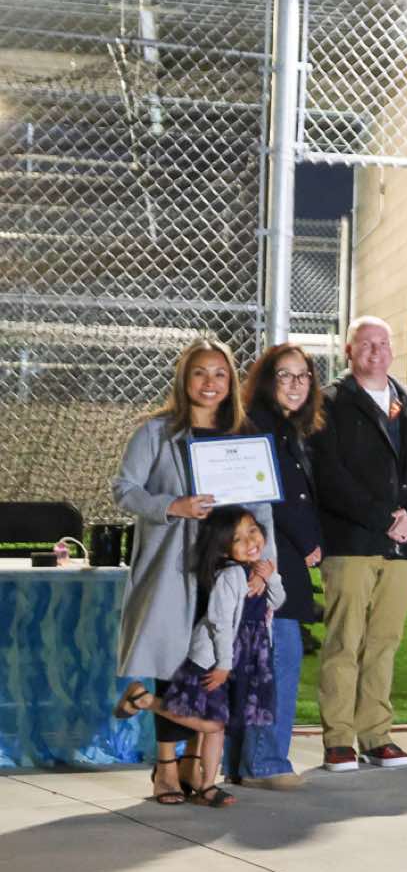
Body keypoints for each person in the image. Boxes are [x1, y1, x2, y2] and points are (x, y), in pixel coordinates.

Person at [113, 338, 277, 804]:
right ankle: (165, 768)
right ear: (185, 379)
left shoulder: (242, 436)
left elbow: (261, 510)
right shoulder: (156, 433)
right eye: (200, 372)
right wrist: (173, 506)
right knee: (173, 667)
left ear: (231, 382)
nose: (210, 382)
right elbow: (124, 490)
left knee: (211, 667)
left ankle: (196, 767)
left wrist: (265, 567)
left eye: (220, 373)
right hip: (174, 568)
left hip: (228, 572)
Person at [311, 315, 407, 771]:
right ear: (348, 351)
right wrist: (381, 518)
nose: (376, 351)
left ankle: (375, 735)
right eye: (366, 343)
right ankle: (338, 740)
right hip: (352, 541)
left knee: (384, 641)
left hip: (402, 545)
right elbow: (328, 475)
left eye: (383, 343)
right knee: (344, 640)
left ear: (394, 350)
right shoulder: (329, 403)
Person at [116, 506, 286, 808]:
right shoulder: (230, 575)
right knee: (211, 725)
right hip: (217, 659)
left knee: (220, 726)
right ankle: (145, 700)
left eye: (253, 531)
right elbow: (220, 624)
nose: (250, 541)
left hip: (245, 658)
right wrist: (223, 665)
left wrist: (270, 578)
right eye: (238, 539)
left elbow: (278, 601)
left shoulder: (258, 569)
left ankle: (207, 784)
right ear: (223, 548)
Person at [229, 343, 324, 789]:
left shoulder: (289, 429)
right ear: (267, 381)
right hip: (270, 562)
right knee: (279, 658)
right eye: (284, 375)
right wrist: (307, 542)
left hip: (281, 559)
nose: (295, 384)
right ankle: (265, 763)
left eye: (303, 375)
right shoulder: (258, 427)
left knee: (268, 658)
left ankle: (246, 762)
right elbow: (269, 497)